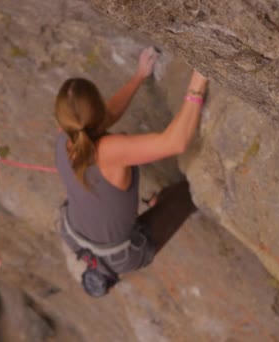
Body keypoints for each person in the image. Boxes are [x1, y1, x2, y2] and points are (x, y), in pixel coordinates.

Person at [54, 47, 208, 296]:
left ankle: (152, 206)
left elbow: (103, 118)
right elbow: (175, 143)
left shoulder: (65, 135)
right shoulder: (111, 152)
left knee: (155, 201)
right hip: (119, 255)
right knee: (188, 195)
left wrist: (139, 76)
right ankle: (163, 204)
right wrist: (199, 78)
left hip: (75, 233)